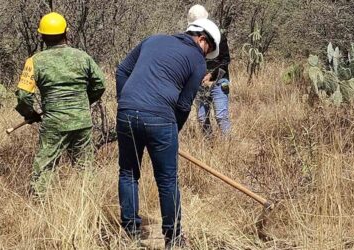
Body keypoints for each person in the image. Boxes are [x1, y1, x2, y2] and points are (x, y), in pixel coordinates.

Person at [115, 18, 220, 248]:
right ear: (202, 39)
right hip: (160, 119)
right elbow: (183, 106)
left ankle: (131, 233)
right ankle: (173, 239)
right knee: (167, 181)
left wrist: (125, 102)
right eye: (208, 50)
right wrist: (173, 132)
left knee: (128, 173)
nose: (205, 56)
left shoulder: (153, 40)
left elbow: (122, 70)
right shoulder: (197, 61)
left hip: (126, 113)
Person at [15, 12, 106, 196]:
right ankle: (91, 206)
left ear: (42, 36)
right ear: (66, 33)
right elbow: (100, 84)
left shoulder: (35, 61)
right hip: (81, 121)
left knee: (44, 169)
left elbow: (24, 95)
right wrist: (81, 102)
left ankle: (39, 208)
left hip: (54, 123)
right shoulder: (83, 57)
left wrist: (30, 114)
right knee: (85, 168)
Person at [188, 5, 232, 137]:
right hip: (200, 83)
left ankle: (228, 146)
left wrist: (211, 75)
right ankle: (209, 146)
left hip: (219, 81)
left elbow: (225, 61)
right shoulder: (191, 38)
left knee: (221, 116)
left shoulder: (219, 36)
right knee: (202, 118)